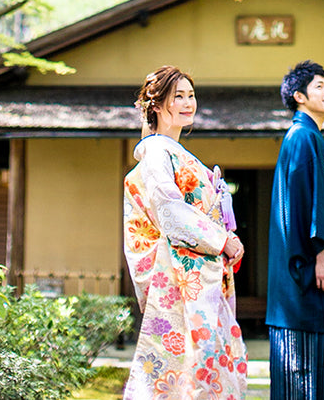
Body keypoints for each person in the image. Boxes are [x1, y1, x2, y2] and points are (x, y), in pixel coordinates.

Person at [123, 64, 248, 400]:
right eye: (177, 96)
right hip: (178, 276)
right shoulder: (155, 153)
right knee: (186, 368)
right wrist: (223, 239)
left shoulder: (175, 153)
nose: (188, 102)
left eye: (190, 95)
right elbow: (170, 212)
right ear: (156, 104)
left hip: (198, 272)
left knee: (201, 368)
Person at [266, 60, 324, 400]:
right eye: (319, 85)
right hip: (310, 278)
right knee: (311, 372)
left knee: (316, 374)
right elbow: (308, 202)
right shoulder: (303, 138)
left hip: (313, 271)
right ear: (299, 96)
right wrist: (321, 254)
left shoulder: (307, 137)